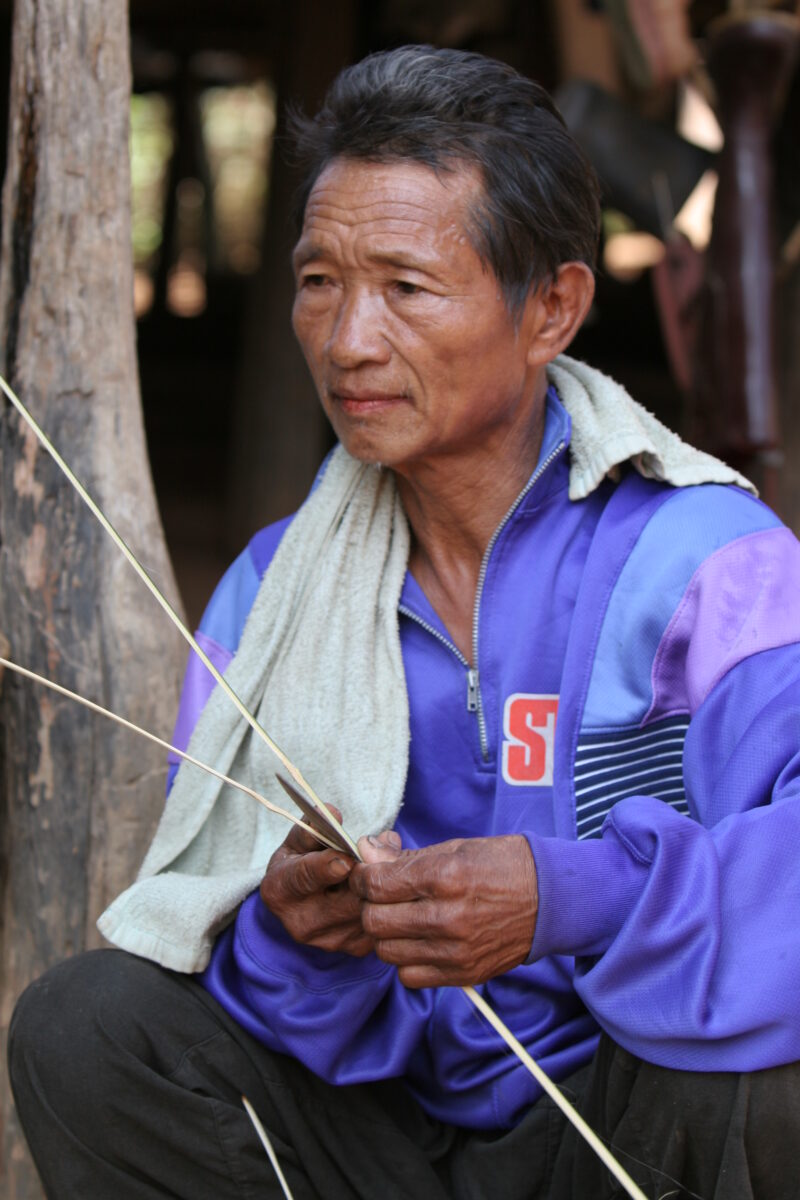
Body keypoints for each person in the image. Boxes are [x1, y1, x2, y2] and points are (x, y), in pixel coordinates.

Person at [9, 45, 800, 1200]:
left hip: (629, 1127)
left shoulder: (703, 565)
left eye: (406, 287)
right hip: (386, 1146)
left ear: (552, 311)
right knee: (88, 1029)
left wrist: (566, 898)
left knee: (759, 1073)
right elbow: (251, 999)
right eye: (319, 280)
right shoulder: (274, 595)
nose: (347, 341)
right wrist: (297, 940)